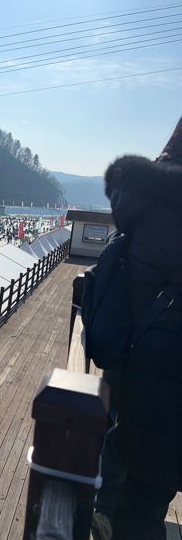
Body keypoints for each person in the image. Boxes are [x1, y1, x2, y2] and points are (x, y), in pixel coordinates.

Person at [83, 129, 182, 538]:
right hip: (169, 386)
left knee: (126, 455)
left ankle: (104, 508)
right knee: (147, 500)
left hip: (132, 362)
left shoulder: (142, 209)